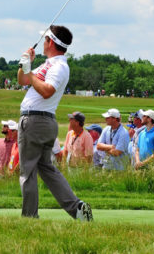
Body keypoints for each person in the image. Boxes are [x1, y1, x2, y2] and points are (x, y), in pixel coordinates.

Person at [17, 25, 92, 221]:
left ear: (51, 42)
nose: (43, 42)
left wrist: (30, 72)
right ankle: (77, 208)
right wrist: (25, 65)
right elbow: (23, 80)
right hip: (41, 121)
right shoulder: (47, 64)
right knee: (46, 169)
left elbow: (47, 90)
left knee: (28, 170)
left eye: (45, 39)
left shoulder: (59, 66)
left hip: (36, 120)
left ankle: (29, 217)